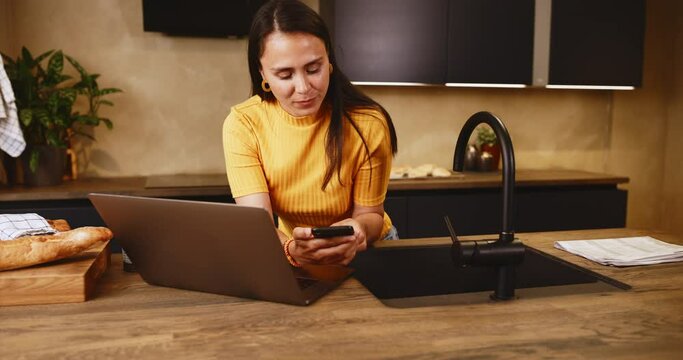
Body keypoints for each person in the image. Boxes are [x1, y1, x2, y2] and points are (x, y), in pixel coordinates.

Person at [222, 0, 398, 267]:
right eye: (284, 74)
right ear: (263, 74)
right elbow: (258, 226)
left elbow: (371, 214)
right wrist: (292, 250)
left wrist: (359, 229)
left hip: (368, 251)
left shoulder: (368, 123)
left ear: (329, 61)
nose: (303, 87)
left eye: (313, 68)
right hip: (290, 250)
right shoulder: (243, 124)